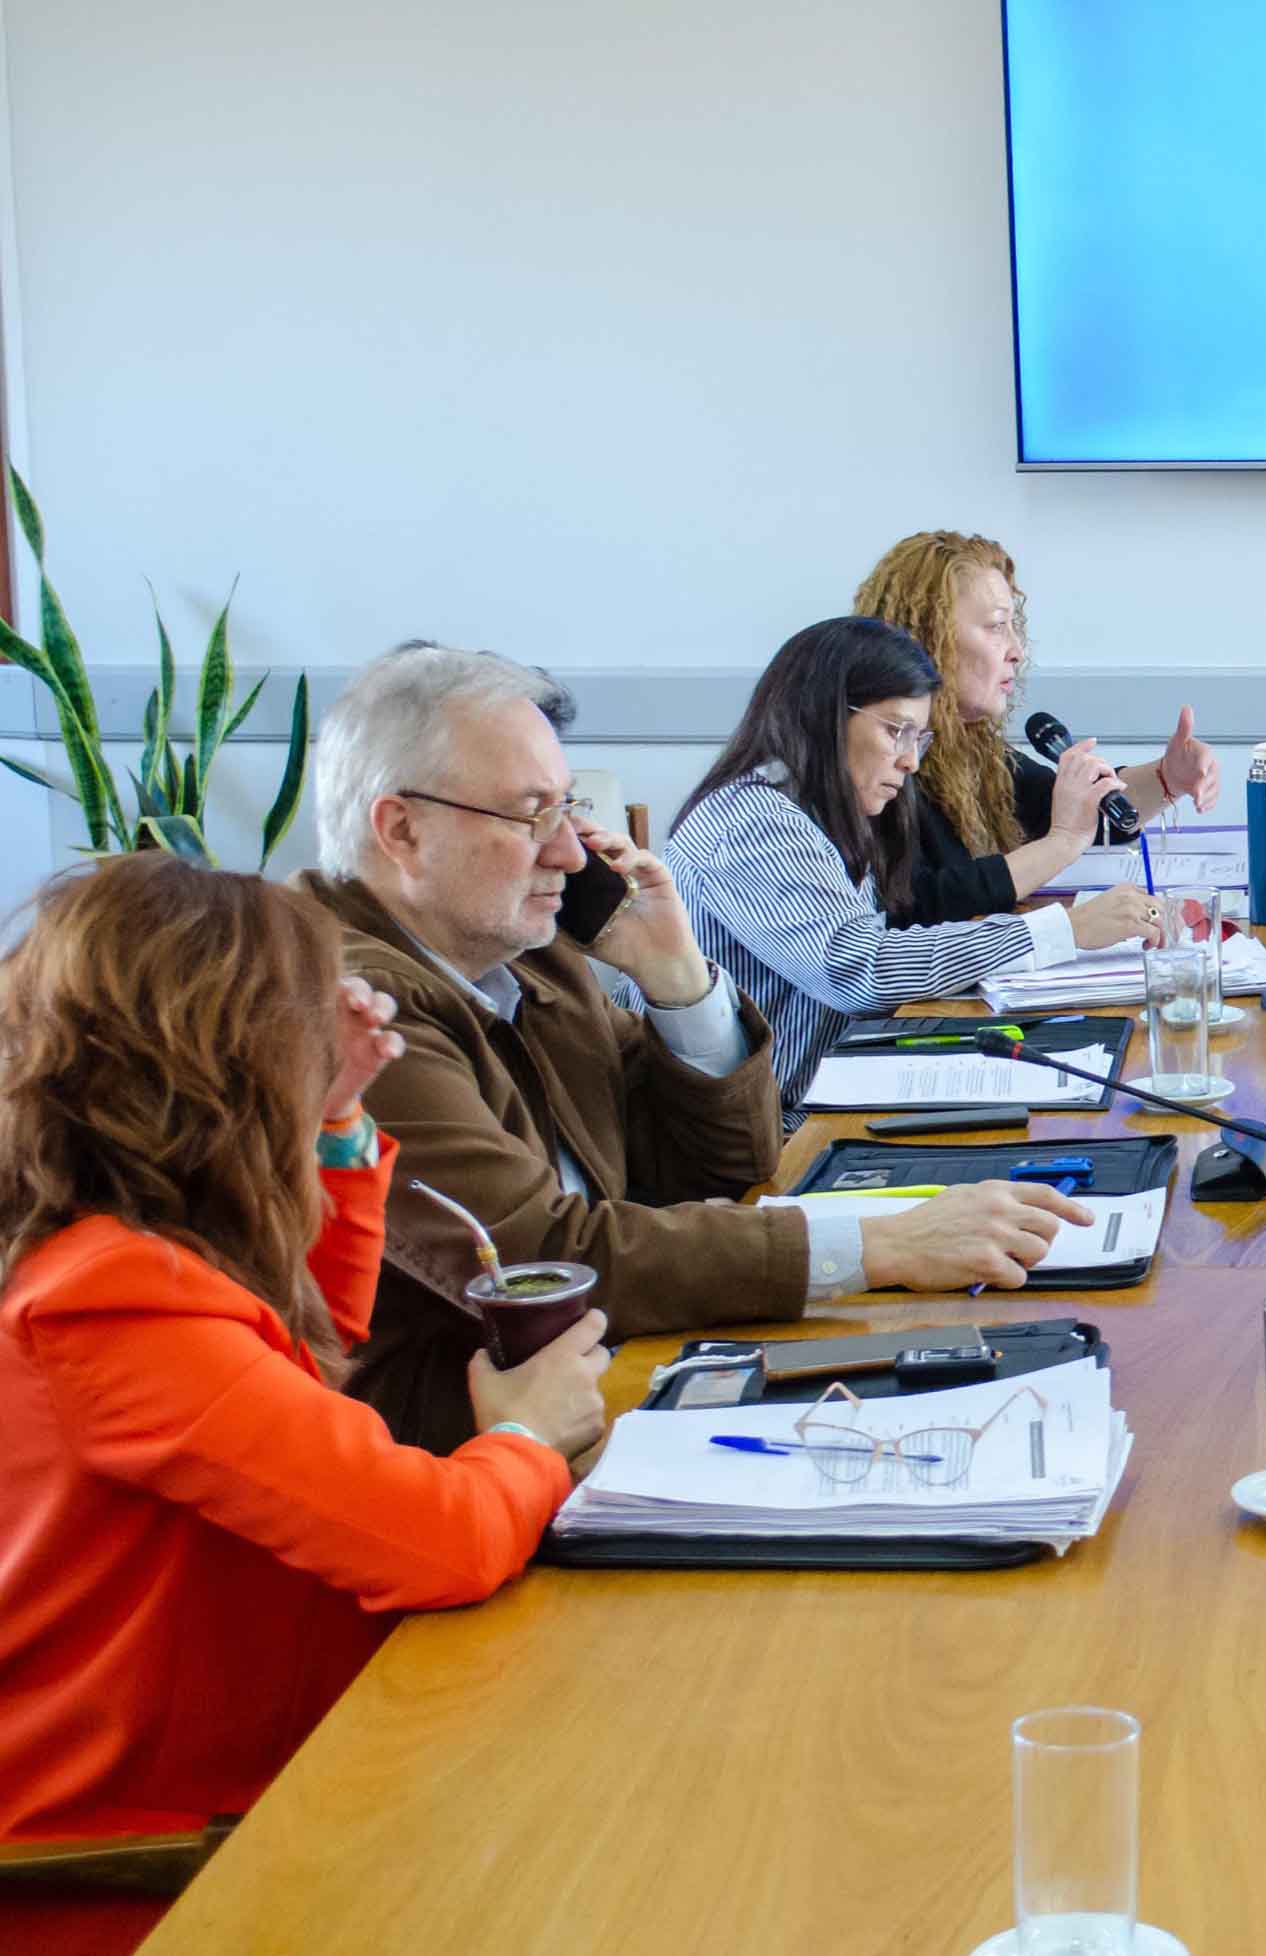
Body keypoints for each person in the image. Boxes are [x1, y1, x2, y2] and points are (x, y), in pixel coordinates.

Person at [0, 858, 604, 1951]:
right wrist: (528, 1434)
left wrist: (335, 1125)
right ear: (231, 1064)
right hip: (144, 1864)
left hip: (255, 1777)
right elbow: (441, 1542)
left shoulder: (109, 1249)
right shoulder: (114, 1302)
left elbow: (297, 1358)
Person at [303, 643, 1090, 1453]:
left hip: (610, 1372)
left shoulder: (532, 960)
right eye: (530, 814)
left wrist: (676, 977)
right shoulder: (350, 1007)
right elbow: (545, 1259)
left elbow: (730, 1167)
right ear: (402, 830)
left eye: (566, 808)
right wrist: (882, 1245)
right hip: (460, 1450)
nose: (570, 852)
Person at [667, 617, 1125, 1112]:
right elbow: (862, 971)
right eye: (896, 731)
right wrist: (1061, 930)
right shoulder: (753, 820)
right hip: (771, 1128)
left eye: (919, 739)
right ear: (823, 715)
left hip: (831, 1086)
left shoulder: (824, 811)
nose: (911, 762)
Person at [854, 530, 1213, 932]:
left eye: (1014, 626)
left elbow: (1075, 811)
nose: (1017, 650)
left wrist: (1167, 777)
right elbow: (913, 908)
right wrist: (1062, 858)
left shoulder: (971, 747)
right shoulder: (876, 758)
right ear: (928, 638)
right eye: (996, 626)